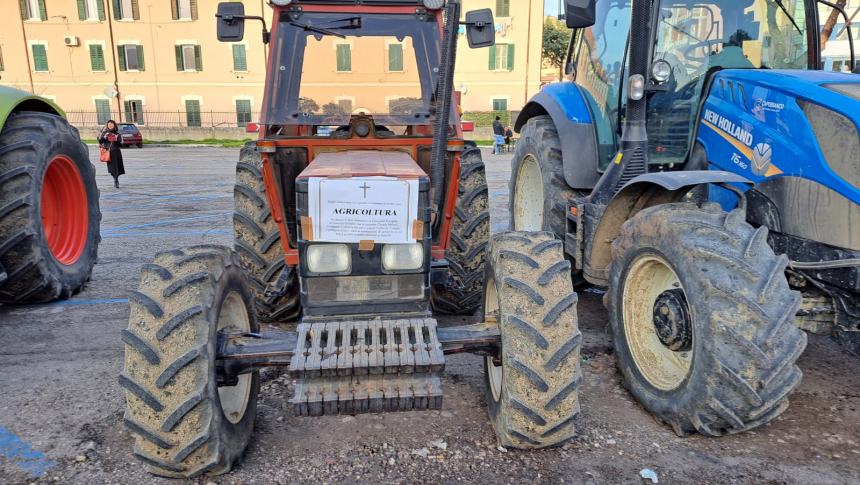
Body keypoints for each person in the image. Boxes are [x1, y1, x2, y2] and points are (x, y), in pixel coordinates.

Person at [98, 120, 125, 188]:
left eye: (111, 124)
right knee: (112, 168)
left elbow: (121, 144)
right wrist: (105, 137)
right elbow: (100, 141)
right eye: (109, 124)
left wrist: (116, 139)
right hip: (108, 152)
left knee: (117, 167)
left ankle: (116, 179)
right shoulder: (104, 132)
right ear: (107, 125)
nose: (110, 125)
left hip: (116, 152)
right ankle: (115, 180)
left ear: (114, 125)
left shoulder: (117, 133)